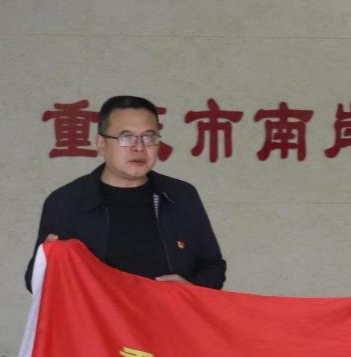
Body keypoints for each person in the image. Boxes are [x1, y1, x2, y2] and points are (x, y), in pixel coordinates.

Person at [25, 95, 227, 291]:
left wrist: (188, 290)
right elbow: (34, 282)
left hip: (167, 313)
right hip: (97, 315)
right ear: (101, 144)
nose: (139, 147)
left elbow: (213, 267)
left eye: (149, 137)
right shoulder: (66, 201)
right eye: (126, 137)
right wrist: (46, 263)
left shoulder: (181, 195)